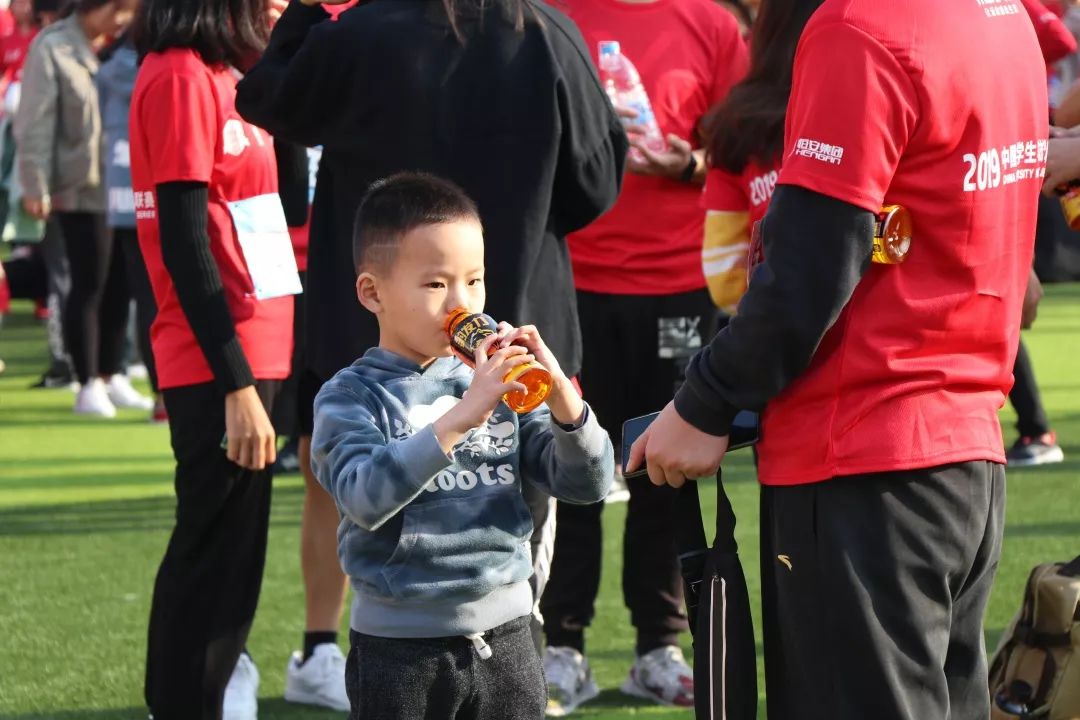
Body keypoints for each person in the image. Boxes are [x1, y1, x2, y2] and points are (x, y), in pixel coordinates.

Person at [628, 1, 1047, 719]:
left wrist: (703, 403)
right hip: (962, 453)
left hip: (862, 458)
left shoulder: (858, 26)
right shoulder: (1001, 17)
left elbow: (808, 276)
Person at [234, 0, 625, 706]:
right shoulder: (543, 31)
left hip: (418, 335)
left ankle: (325, 644)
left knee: (372, 496)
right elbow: (597, 181)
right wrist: (516, 206)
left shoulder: (354, 31)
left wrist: (306, 14)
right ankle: (497, 651)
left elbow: (268, 93)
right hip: (498, 311)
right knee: (385, 491)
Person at [311, 171, 613, 720]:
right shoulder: (350, 395)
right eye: (436, 284)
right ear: (372, 292)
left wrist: (564, 398)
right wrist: (462, 415)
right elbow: (362, 497)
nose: (462, 303)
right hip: (398, 648)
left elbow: (586, 485)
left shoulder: (496, 380)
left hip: (510, 634)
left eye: (474, 281)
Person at [535, 0, 746, 711]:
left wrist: (689, 163)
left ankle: (660, 646)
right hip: (575, 281)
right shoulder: (553, 15)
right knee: (571, 464)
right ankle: (561, 644)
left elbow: (749, 146)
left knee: (667, 467)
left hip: (679, 282)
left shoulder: (711, 24)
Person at [130, 0, 297, 717]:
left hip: (260, 337)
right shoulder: (177, 75)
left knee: (236, 564)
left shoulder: (233, 73)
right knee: (210, 558)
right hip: (216, 358)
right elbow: (184, 241)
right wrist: (235, 383)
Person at [14, 0, 149, 417]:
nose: (125, 20)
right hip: (79, 185)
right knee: (89, 280)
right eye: (121, 10)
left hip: (123, 181)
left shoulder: (129, 45)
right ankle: (86, 381)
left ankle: (115, 372)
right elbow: (34, 120)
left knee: (122, 282)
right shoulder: (52, 46)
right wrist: (34, 183)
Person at [97, 30, 164, 421]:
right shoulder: (166, 71)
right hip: (156, 193)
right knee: (157, 300)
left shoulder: (106, 69)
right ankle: (160, 393)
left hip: (118, 193)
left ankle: (117, 374)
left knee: (123, 296)